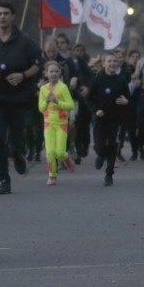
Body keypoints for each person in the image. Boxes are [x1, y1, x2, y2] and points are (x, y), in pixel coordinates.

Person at [0, 2, 42, 195]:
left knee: (18, 136)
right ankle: (4, 179)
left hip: (19, 97)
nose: (2, 17)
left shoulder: (25, 41)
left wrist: (23, 75)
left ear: (12, 17)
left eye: (5, 14)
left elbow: (38, 63)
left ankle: (18, 153)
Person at [88, 52, 130, 186]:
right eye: (109, 61)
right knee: (99, 145)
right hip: (101, 118)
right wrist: (96, 110)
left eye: (114, 61)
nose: (112, 64)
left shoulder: (121, 80)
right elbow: (89, 99)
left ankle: (109, 174)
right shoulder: (98, 79)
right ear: (104, 63)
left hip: (116, 119)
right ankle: (101, 154)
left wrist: (126, 101)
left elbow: (128, 98)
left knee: (113, 146)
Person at [38, 60, 75, 185]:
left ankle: (66, 159)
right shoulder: (43, 89)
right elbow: (41, 108)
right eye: (51, 71)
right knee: (50, 152)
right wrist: (47, 101)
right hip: (48, 123)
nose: (54, 74)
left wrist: (58, 102)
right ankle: (52, 175)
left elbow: (70, 105)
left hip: (61, 123)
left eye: (56, 71)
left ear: (60, 73)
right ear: (46, 73)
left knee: (59, 152)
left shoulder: (63, 87)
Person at [57, 34, 93, 164]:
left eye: (62, 43)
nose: (60, 45)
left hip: (72, 98)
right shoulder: (52, 59)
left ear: (67, 45)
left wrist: (84, 86)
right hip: (53, 99)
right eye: (58, 43)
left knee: (72, 124)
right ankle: (60, 154)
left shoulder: (76, 60)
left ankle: (72, 146)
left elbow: (89, 75)